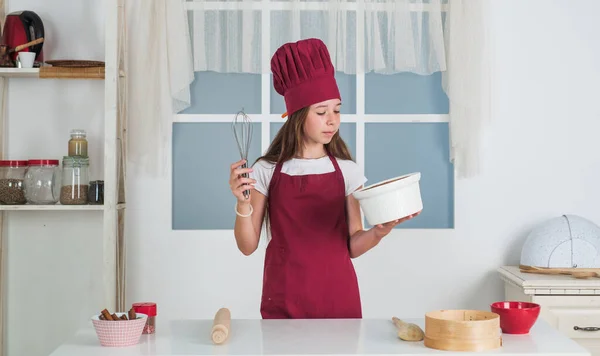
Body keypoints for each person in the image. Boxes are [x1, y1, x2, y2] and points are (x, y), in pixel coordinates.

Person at [228, 38, 420, 319]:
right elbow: (247, 246)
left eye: (337, 110)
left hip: (338, 299)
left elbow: (353, 244)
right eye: (321, 112)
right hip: (284, 298)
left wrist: (379, 231)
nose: (332, 120)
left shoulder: (348, 171)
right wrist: (242, 202)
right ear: (296, 115)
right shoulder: (266, 170)